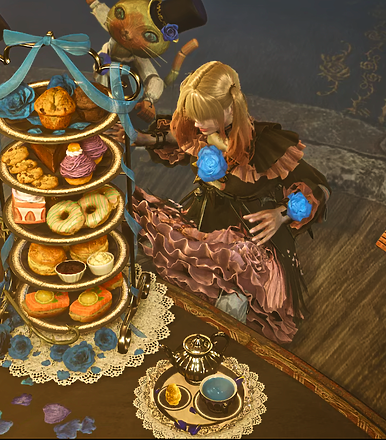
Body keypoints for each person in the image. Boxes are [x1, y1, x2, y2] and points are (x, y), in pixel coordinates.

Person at [113, 61, 331, 344]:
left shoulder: (266, 143)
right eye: (195, 117)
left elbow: (320, 188)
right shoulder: (203, 129)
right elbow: (181, 138)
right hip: (205, 219)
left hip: (249, 236)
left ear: (229, 109)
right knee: (141, 221)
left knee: (233, 288)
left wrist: (282, 213)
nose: (197, 125)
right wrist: (142, 139)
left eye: (204, 117)